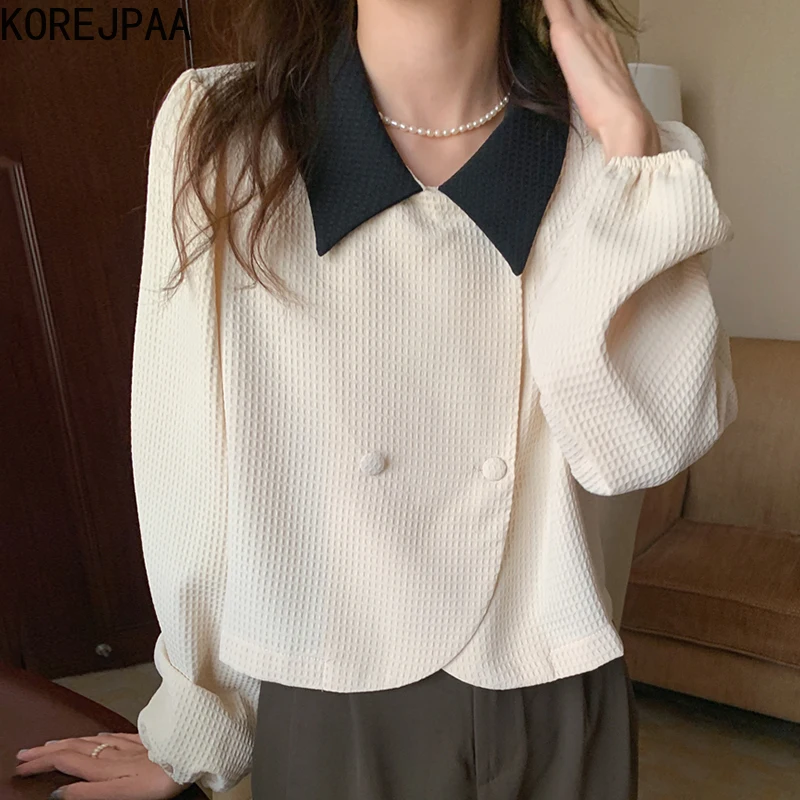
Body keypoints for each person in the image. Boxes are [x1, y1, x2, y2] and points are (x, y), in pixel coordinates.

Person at [14, 0, 738, 798]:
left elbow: (641, 445)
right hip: (334, 696)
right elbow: (187, 448)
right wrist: (197, 717)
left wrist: (629, 149)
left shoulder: (618, 148)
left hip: (557, 687)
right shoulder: (224, 128)